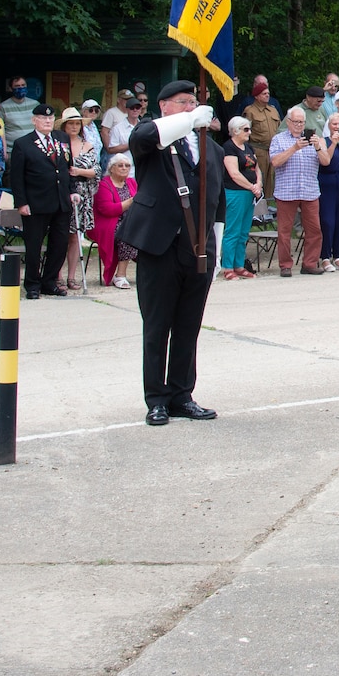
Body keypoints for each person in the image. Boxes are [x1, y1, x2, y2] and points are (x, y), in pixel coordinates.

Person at [120, 81, 223, 426]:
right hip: (160, 245)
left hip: (198, 248)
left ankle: (181, 394)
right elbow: (146, 137)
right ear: (164, 106)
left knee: (188, 326)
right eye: (183, 102)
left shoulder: (212, 148)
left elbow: (216, 203)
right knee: (157, 325)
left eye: (194, 102)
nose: (191, 107)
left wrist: (216, 248)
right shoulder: (151, 138)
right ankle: (157, 399)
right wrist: (189, 118)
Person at [7, 105, 75, 297]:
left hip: (61, 202)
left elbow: (67, 168)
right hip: (36, 203)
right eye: (43, 118)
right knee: (34, 246)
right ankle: (32, 284)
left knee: (59, 244)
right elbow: (16, 177)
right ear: (34, 120)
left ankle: (49, 281)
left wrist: (71, 192)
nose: (47, 121)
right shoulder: (23, 143)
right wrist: (21, 202)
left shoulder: (61, 139)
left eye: (51, 118)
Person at [269, 105, 324, 276]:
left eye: (302, 122)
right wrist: (294, 148)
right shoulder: (278, 139)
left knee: (314, 230)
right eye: (296, 122)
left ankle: (310, 263)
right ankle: (285, 265)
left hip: (309, 190)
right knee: (284, 231)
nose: (299, 125)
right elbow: (275, 162)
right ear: (288, 122)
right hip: (287, 191)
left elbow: (325, 161)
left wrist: (318, 147)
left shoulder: (315, 139)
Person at [312, 105, 339, 271]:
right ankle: (324, 256)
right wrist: (333, 143)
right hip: (327, 181)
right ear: (329, 125)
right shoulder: (324, 141)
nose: (337, 127)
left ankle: (338, 255)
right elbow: (325, 161)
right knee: (327, 220)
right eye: (334, 124)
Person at [61, 108, 101, 290]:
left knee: (76, 236)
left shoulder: (87, 145)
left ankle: (71, 276)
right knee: (60, 235)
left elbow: (96, 171)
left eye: (77, 123)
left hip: (83, 192)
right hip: (62, 191)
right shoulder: (58, 144)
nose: (74, 126)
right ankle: (57, 275)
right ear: (64, 125)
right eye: (71, 123)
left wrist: (79, 171)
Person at [219, 116, 262, 280]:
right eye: (246, 129)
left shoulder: (248, 147)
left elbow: (256, 168)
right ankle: (228, 266)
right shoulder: (229, 148)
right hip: (235, 192)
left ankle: (239, 264)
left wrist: (258, 184)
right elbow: (234, 173)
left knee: (244, 231)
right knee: (233, 231)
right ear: (235, 131)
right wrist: (251, 186)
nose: (249, 132)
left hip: (249, 193)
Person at [94, 156, 136, 288]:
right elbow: (107, 210)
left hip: (131, 221)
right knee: (128, 234)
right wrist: (130, 202)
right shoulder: (104, 185)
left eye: (127, 165)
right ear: (111, 168)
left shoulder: (131, 182)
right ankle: (120, 276)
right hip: (108, 223)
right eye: (120, 165)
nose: (124, 168)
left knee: (150, 234)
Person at [241, 77, 282, 200]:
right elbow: (245, 133)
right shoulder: (250, 111)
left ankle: (269, 205)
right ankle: (258, 206)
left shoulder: (273, 111)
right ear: (257, 96)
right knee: (259, 177)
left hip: (273, 150)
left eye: (268, 93)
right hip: (258, 150)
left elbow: (280, 129)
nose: (267, 96)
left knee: (272, 178)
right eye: (264, 94)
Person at [0, 76, 38, 143]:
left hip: (32, 147)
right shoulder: (3, 106)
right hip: (12, 149)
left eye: (23, 85)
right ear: (11, 88)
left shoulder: (35, 104)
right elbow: (0, 129)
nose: (21, 88)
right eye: (17, 86)